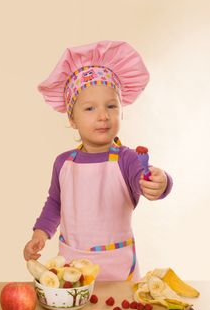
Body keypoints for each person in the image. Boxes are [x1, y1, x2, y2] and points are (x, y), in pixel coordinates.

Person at [23, 40, 173, 281]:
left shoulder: (128, 158)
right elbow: (54, 203)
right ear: (72, 119)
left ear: (121, 111)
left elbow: (143, 179)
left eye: (111, 106)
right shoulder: (63, 163)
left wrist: (161, 183)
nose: (103, 115)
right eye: (90, 109)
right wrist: (40, 234)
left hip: (119, 272)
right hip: (73, 271)